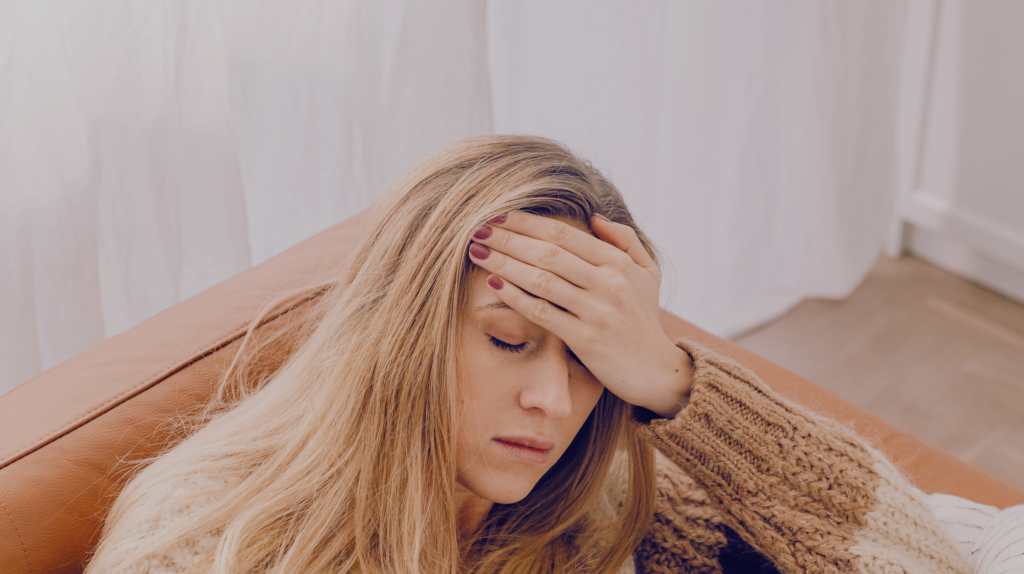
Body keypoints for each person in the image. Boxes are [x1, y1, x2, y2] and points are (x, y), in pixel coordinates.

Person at [85, 135, 971, 574]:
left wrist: (671, 380)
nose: (554, 399)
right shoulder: (204, 542)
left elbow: (926, 562)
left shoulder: (595, 498)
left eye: (592, 358)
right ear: (400, 332)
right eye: (510, 339)